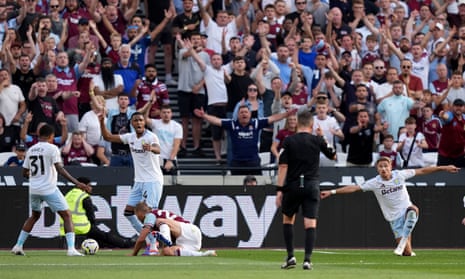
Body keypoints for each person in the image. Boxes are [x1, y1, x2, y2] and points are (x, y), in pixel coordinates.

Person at [321, 157, 460, 256]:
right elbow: (354, 188)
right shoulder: (374, 183)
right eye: (380, 167)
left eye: (385, 166)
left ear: (390, 167)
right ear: (377, 169)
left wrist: (444, 168)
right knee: (407, 253)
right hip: (393, 218)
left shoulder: (399, 175)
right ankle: (404, 244)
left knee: (413, 210)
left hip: (406, 209)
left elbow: (422, 171)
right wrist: (332, 192)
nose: (383, 169)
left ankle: (404, 238)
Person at [11, 124, 90, 256]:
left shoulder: (31, 150)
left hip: (34, 189)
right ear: (51, 136)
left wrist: (35, 176)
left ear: (39, 135)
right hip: (49, 188)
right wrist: (77, 183)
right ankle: (71, 249)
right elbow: (60, 169)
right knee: (67, 215)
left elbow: (24, 173)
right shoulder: (52, 148)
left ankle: (18, 246)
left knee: (34, 216)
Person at [276, 110, 337, 270]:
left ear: (296, 123)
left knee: (288, 219)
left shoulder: (288, 140)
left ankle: (290, 257)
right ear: (312, 124)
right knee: (310, 223)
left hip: (293, 185)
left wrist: (279, 189)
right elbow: (333, 155)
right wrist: (322, 136)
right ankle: (307, 260)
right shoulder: (317, 140)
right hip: (311, 185)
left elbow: (282, 165)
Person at [99, 111, 163, 255]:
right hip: (138, 181)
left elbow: (158, 149)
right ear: (132, 123)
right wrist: (102, 121)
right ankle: (151, 238)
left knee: (150, 213)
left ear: (144, 122)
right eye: (136, 121)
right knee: (128, 212)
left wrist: (151, 148)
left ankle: (153, 245)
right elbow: (107, 136)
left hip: (152, 180)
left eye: (141, 120)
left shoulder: (150, 136)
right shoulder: (130, 137)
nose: (139, 123)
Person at [194, 105, 297, 175]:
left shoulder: (256, 123)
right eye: (241, 112)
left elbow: (273, 118)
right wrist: (205, 116)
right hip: (237, 163)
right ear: (238, 115)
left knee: (257, 187)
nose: (244, 114)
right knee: (236, 188)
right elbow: (217, 121)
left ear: (250, 114)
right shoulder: (233, 124)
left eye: (246, 112)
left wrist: (286, 115)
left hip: (253, 162)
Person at [60, 177, 135, 248]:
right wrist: (93, 224)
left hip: (67, 228)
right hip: (81, 227)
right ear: (83, 185)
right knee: (104, 236)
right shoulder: (83, 196)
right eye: (89, 185)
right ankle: (125, 244)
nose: (91, 188)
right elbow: (91, 215)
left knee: (97, 236)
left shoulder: (68, 195)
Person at [131, 201, 216, 257]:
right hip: (189, 241)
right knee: (166, 252)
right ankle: (204, 254)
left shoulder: (150, 216)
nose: (138, 219)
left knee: (160, 221)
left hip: (188, 230)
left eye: (138, 216)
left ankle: (167, 241)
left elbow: (142, 237)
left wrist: (134, 254)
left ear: (140, 212)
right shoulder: (155, 217)